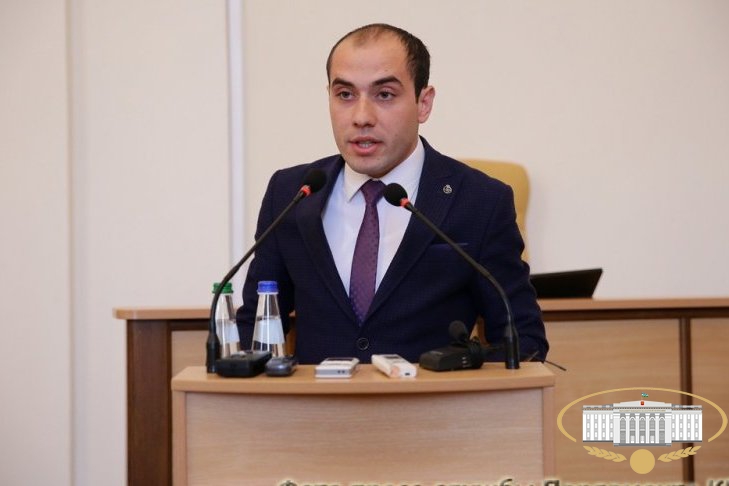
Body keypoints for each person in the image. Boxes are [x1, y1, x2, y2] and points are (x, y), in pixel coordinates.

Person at [236, 23, 548, 364]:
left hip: (431, 398)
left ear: (423, 103)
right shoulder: (292, 193)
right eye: (345, 95)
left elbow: (524, 342)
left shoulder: (479, 201)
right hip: (318, 398)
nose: (361, 117)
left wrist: (454, 373)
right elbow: (255, 328)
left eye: (384, 95)